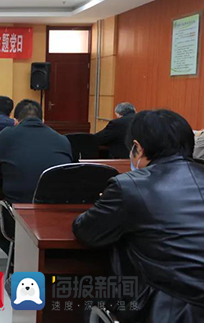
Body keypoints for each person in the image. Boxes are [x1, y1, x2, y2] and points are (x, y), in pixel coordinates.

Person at [74, 110, 204, 322]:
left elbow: (86, 231)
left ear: (138, 148)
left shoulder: (129, 186)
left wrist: (107, 203)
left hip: (167, 309)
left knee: (89, 301)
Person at [0, 99, 72, 254]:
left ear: (15, 121)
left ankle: (18, 259)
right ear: (43, 120)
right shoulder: (62, 139)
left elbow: (1, 169)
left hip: (18, 216)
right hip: (58, 215)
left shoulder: (6, 135)